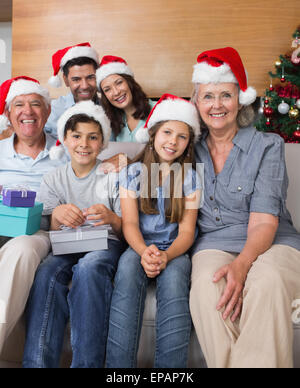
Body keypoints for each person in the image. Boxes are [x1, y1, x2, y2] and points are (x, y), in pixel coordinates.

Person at [189, 47, 300, 368]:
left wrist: (242, 265)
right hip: (214, 244)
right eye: (208, 96)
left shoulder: (268, 145)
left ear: (240, 100)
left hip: (274, 242)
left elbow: (265, 222)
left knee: (265, 282)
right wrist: (119, 162)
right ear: (196, 103)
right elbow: (152, 162)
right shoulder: (187, 148)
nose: (217, 105)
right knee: (207, 289)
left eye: (226, 95)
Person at [23, 101, 126, 368]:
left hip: (105, 244)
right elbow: (47, 226)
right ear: (65, 140)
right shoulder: (54, 178)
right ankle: (36, 364)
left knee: (90, 268)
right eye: (77, 136)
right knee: (46, 272)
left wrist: (112, 218)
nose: (84, 143)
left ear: (103, 142)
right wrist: (57, 216)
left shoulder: (113, 175)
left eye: (93, 137)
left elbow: (129, 228)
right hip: (66, 244)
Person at [106, 93, 202, 368]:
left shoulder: (191, 178)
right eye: (167, 132)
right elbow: (130, 224)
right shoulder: (133, 173)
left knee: (174, 282)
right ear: (153, 135)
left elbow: (186, 233)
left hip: (174, 249)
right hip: (138, 245)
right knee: (126, 271)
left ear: (188, 144)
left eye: (181, 137)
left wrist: (166, 256)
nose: (173, 141)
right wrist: (144, 252)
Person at [0, 76, 68, 353]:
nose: (28, 111)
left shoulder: (66, 150)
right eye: (19, 105)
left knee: (23, 250)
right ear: (7, 114)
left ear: (48, 111)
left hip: (39, 230)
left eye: (36, 104)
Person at [44, 42, 100, 137]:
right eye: (76, 79)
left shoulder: (110, 109)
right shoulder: (51, 111)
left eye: (90, 77)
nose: (84, 86)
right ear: (66, 80)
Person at [96, 55, 155, 143]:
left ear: (130, 83)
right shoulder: (113, 122)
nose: (116, 92)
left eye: (119, 83)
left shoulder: (158, 110)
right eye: (107, 89)